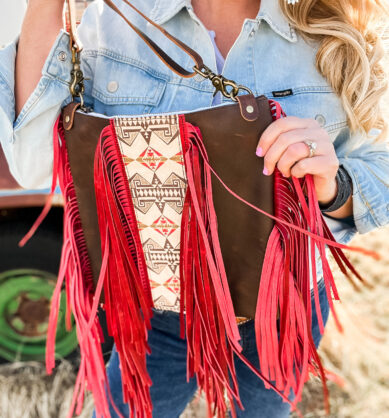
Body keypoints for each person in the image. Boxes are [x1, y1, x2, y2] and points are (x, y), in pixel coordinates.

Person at [1, 0, 388, 416]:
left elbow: (379, 167)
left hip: (283, 306)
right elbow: (29, 164)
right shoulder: (110, 21)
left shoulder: (336, 31)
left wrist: (333, 183)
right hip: (160, 311)